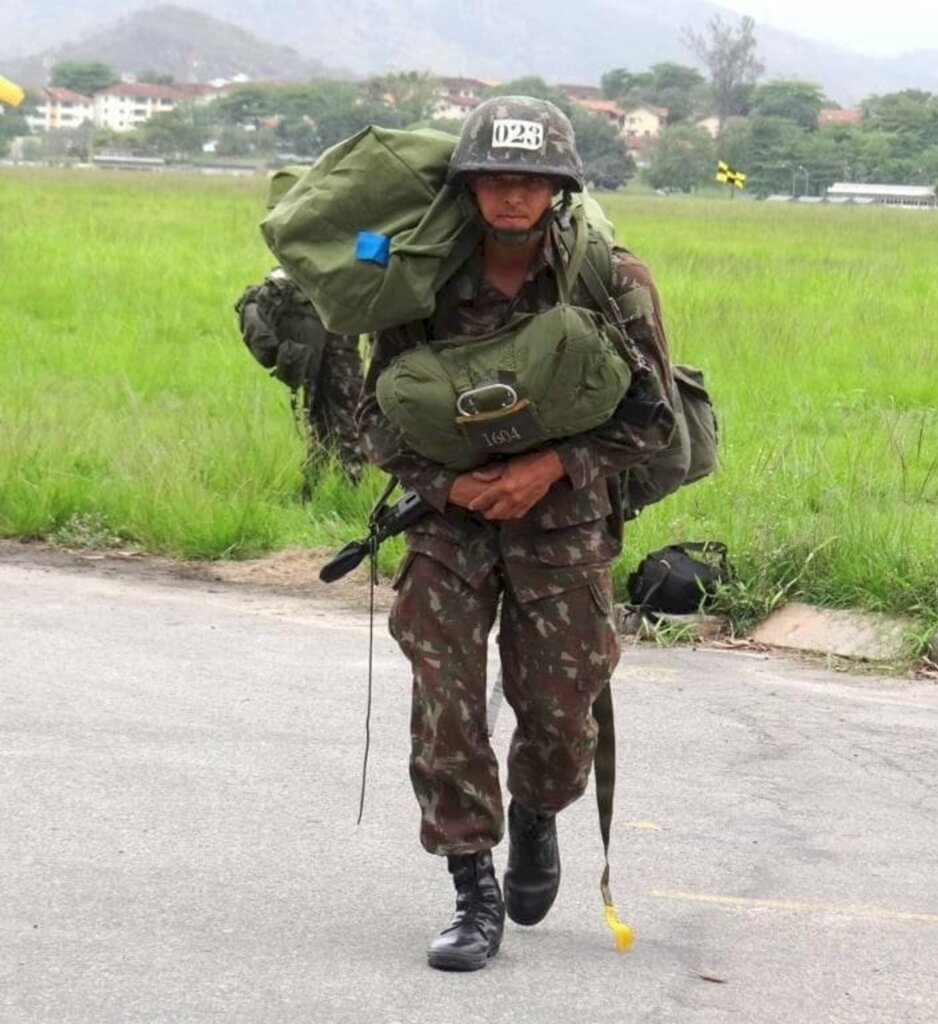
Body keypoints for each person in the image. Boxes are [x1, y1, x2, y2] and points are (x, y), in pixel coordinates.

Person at [356, 96, 677, 971]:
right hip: (448, 528)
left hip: (563, 529)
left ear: (557, 188)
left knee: (561, 718)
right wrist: (449, 482)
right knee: (445, 705)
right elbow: (375, 419)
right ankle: (472, 888)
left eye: (530, 179)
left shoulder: (611, 280)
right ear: (469, 186)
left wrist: (549, 468)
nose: (511, 195)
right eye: (496, 176)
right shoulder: (418, 282)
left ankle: (538, 812)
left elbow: (654, 422)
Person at [235, 167, 366, 495]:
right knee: (319, 407)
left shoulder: (347, 233)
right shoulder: (302, 231)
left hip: (339, 326)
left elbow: (367, 265)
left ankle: (354, 485)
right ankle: (316, 482)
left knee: (345, 407)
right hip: (316, 329)